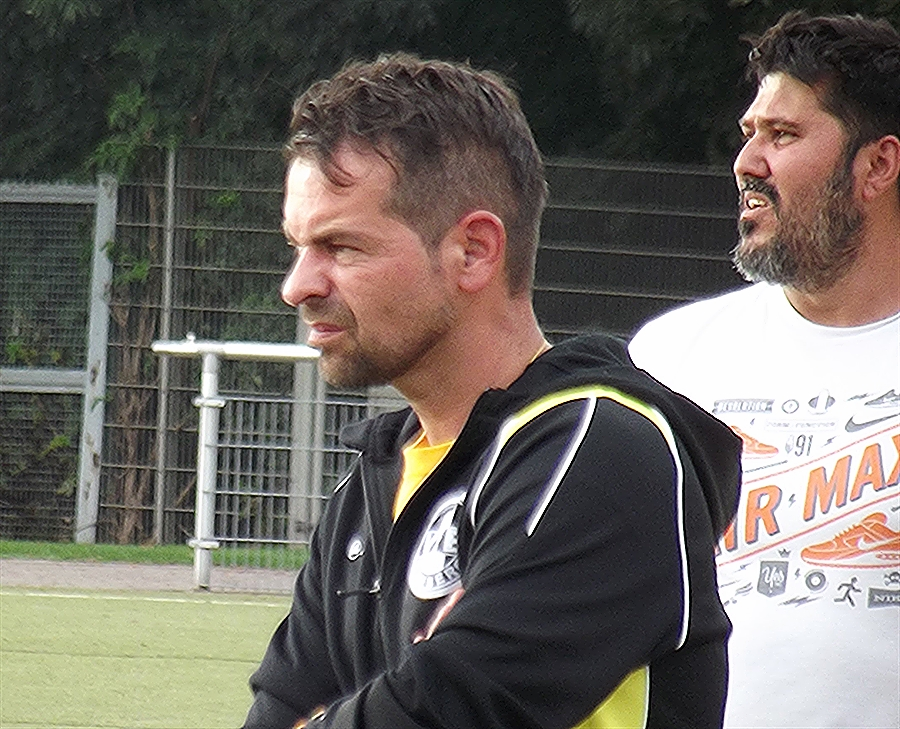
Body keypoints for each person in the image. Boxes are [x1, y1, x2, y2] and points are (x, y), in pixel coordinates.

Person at [243, 53, 741, 729]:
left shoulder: (601, 452)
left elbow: (449, 710)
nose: (297, 286)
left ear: (474, 251)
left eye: (341, 247)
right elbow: (278, 712)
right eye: (297, 246)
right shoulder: (370, 484)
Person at [629, 11, 900, 729]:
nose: (747, 163)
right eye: (750, 133)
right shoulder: (668, 359)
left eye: (782, 135)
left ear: (878, 165)